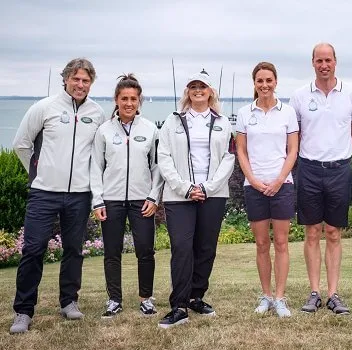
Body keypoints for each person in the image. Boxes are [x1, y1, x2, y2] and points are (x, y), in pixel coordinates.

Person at [10, 58, 106, 333]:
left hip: (79, 194)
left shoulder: (97, 113)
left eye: (85, 80)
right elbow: (21, 144)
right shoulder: (44, 107)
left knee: (74, 250)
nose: (80, 84)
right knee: (33, 249)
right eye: (75, 79)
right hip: (44, 193)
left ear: (91, 83)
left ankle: (69, 302)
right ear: (65, 79)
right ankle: (24, 311)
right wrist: (38, 174)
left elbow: (98, 154)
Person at [289, 43, 352, 315]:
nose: (324, 65)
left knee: (333, 232)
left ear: (335, 61)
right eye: (319, 60)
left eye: (328, 60)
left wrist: (338, 155)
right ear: (312, 62)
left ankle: (333, 294)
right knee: (312, 232)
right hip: (308, 169)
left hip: (339, 169)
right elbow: (294, 135)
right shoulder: (299, 96)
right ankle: (314, 293)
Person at [157, 70, 235, 328]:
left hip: (212, 194)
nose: (198, 90)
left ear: (211, 91)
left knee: (206, 249)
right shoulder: (173, 121)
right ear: (187, 92)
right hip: (179, 196)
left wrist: (207, 187)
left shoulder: (223, 122)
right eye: (193, 86)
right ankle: (178, 305)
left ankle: (195, 296)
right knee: (181, 248)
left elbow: (229, 158)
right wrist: (186, 188)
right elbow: (164, 158)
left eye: (203, 86)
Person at [90, 74, 164, 318]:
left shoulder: (150, 129)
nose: (129, 103)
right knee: (112, 252)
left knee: (145, 250)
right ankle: (114, 300)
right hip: (111, 200)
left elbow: (157, 167)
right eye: (124, 98)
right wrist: (97, 199)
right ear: (116, 100)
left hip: (141, 200)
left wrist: (154, 197)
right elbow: (96, 168)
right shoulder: (104, 130)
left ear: (139, 100)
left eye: (133, 99)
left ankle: (146, 299)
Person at [236, 62, 299, 318]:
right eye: (259, 81)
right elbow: (241, 150)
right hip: (254, 187)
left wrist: (278, 180)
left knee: (281, 243)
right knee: (262, 244)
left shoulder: (288, 112)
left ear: (276, 82)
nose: (264, 85)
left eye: (268, 80)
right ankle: (266, 296)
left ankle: (281, 298)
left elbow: (292, 150)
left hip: (282, 186)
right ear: (254, 83)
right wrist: (252, 179)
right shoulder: (244, 113)